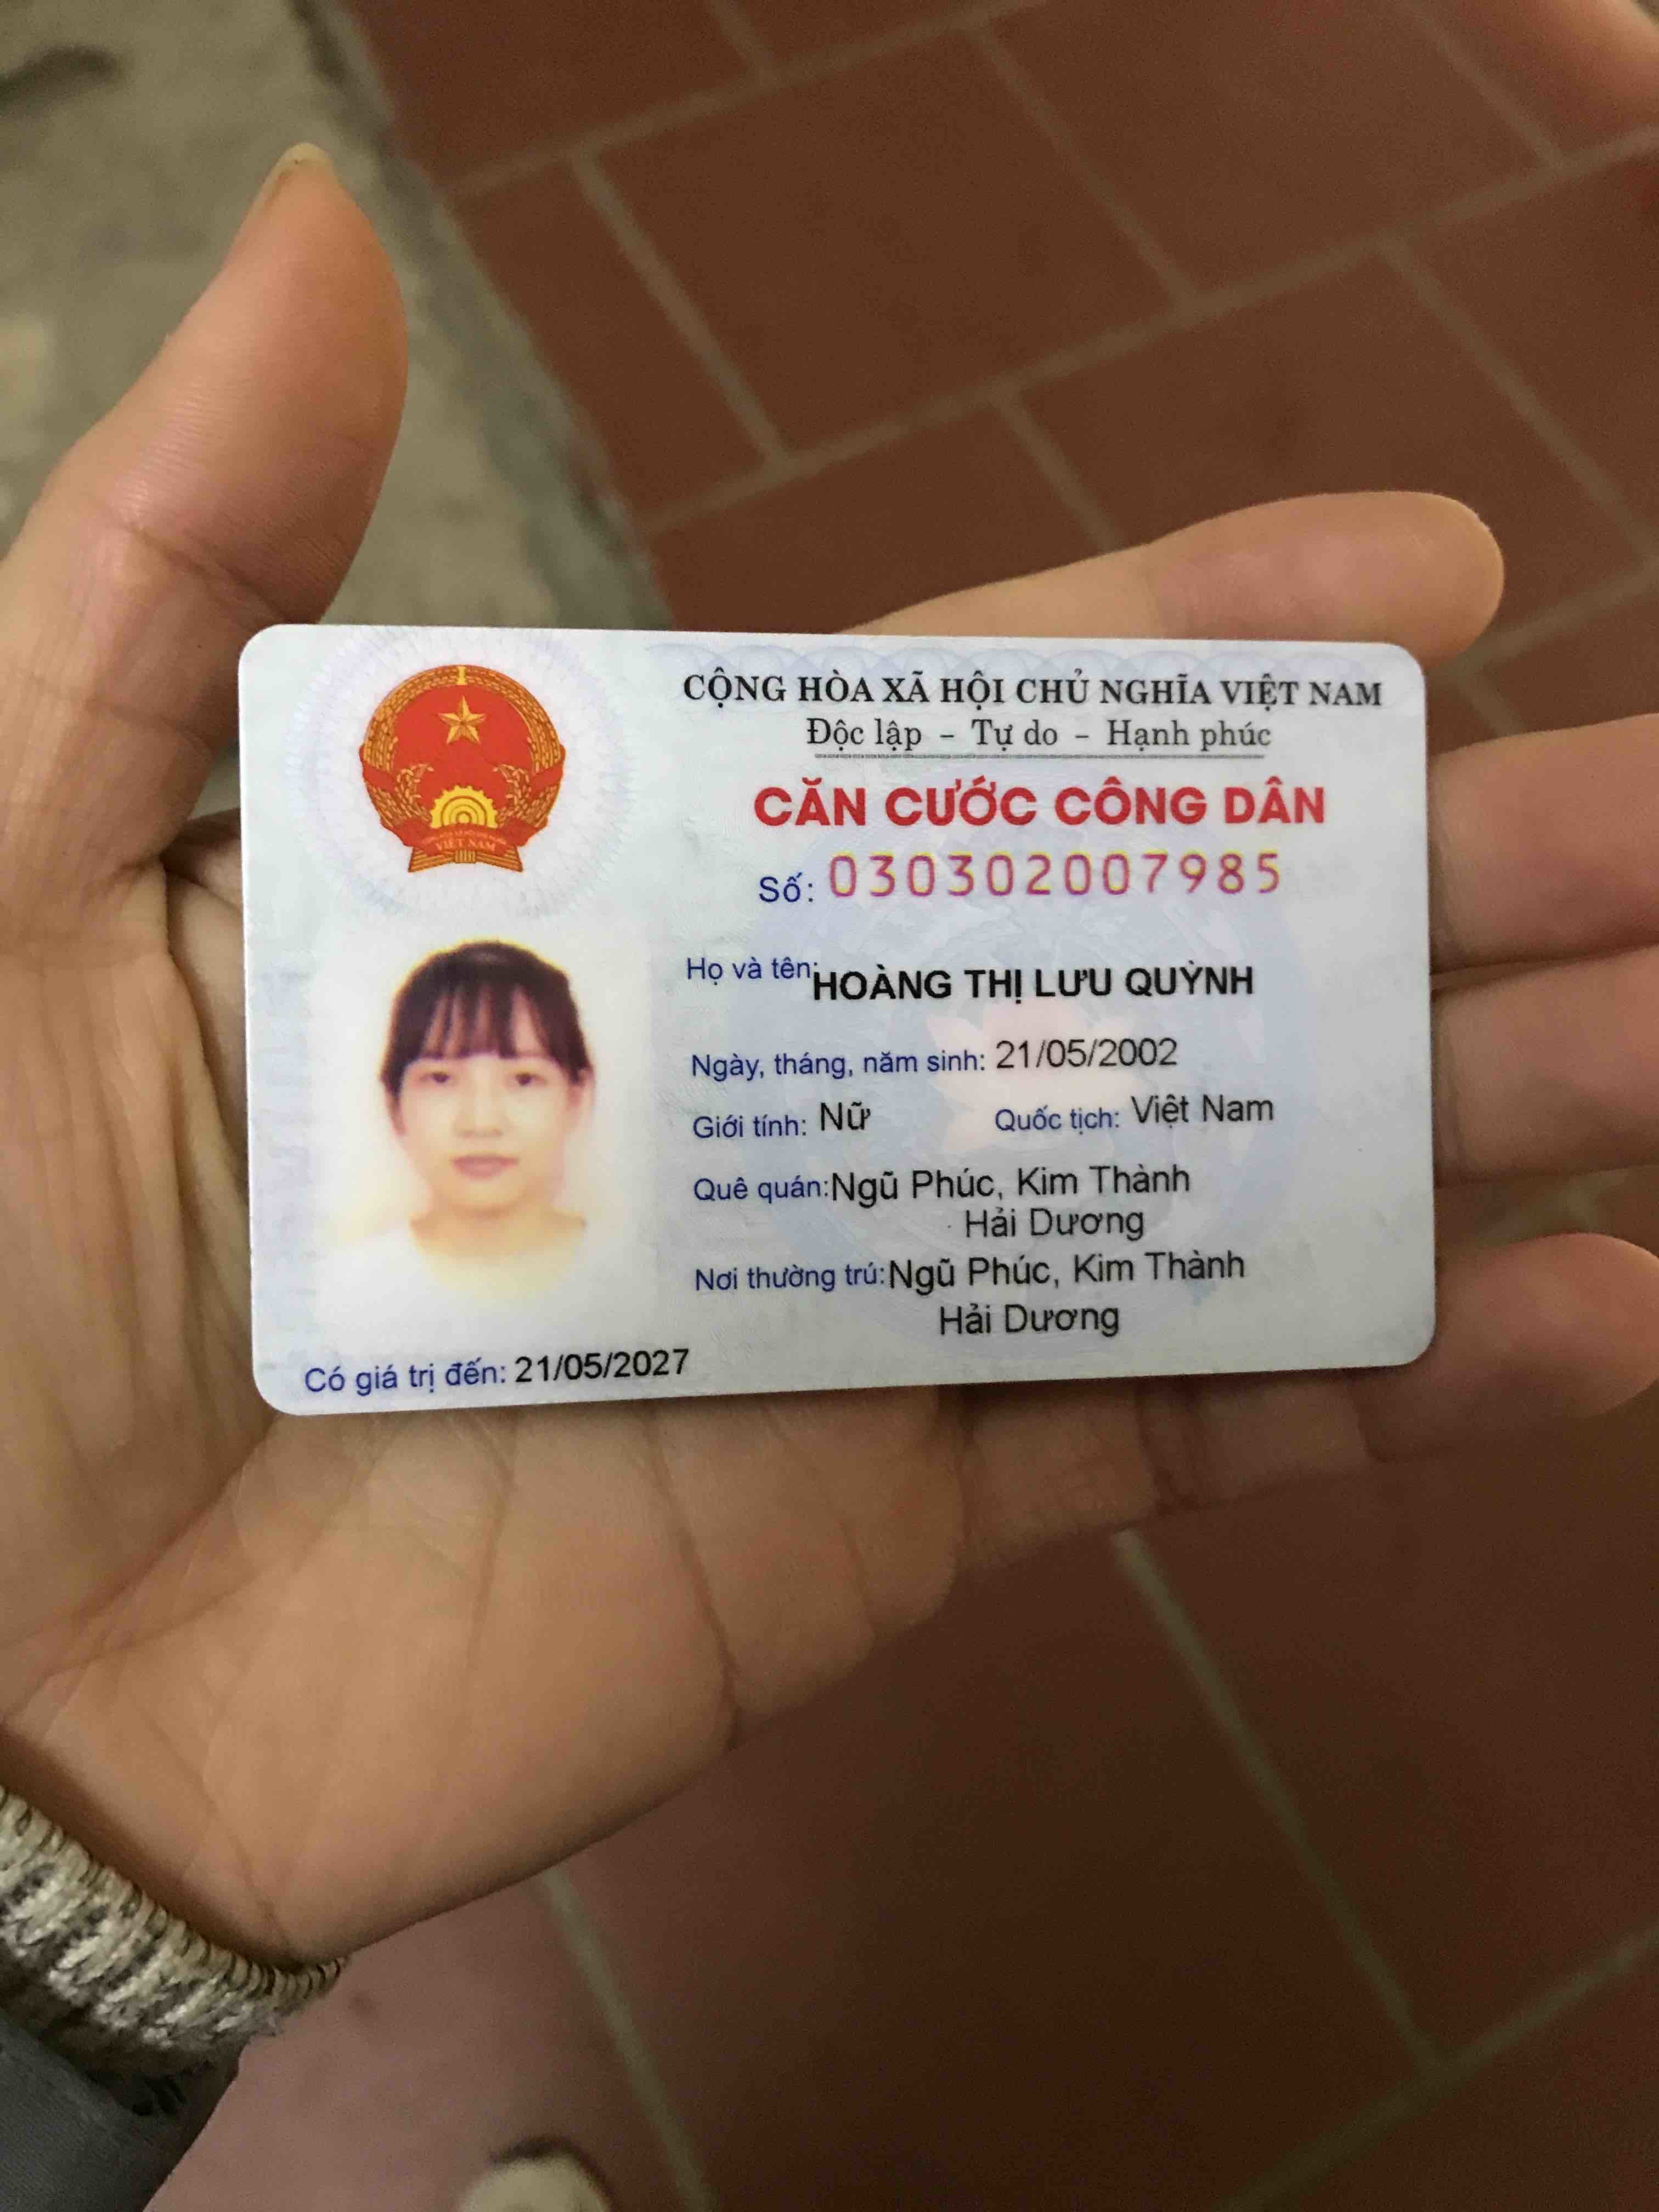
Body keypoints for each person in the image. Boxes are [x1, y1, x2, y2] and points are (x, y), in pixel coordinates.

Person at [2, 144, 1658, 2211]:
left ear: (580, 1081)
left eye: (524, 1064)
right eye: (449, 1068)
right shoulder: (349, 1253)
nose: (487, 1107)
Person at [320, 940, 595, 1330]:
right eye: (441, 1079)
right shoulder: (343, 1294)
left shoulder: (636, 1276)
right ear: (395, 1106)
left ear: (575, 1099)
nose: (481, 1123)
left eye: (523, 1079)